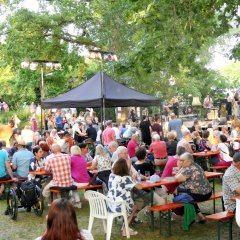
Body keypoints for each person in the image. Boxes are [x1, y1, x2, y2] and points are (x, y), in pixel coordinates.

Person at [107, 158, 142, 237]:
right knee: (134, 207)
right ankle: (125, 228)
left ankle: (125, 226)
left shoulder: (111, 176)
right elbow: (140, 187)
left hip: (110, 205)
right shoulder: (127, 178)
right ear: (125, 168)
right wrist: (134, 179)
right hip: (121, 206)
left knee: (130, 204)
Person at [175, 153, 212, 222]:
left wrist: (180, 167)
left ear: (189, 161)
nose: (180, 162)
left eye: (182, 160)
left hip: (200, 195)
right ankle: (200, 216)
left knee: (178, 192)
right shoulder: (197, 165)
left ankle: (187, 216)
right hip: (208, 193)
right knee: (186, 195)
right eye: (179, 160)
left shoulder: (188, 168)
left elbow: (178, 179)